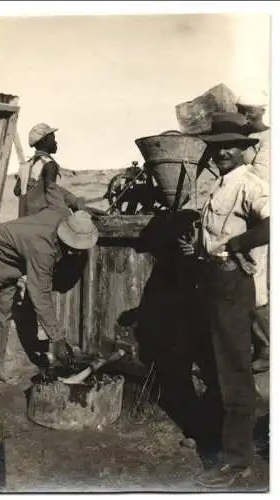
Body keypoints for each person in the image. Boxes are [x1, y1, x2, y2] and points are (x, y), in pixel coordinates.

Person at [178, 113, 269, 488]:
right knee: (216, 366)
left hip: (233, 283)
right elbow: (215, 233)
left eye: (231, 145)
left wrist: (235, 245)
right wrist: (196, 249)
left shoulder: (250, 184)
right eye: (217, 147)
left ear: (247, 148)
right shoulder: (219, 186)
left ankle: (238, 461)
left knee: (233, 371)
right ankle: (219, 442)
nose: (222, 153)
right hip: (213, 280)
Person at [0, 208, 99, 383]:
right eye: (73, 247)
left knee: (4, 315)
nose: (74, 252)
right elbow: (40, 295)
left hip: (12, 264)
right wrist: (57, 339)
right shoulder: (42, 248)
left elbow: (62, 203)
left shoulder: (64, 215)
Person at [236, 90, 270, 372]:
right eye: (240, 108)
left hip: (264, 218)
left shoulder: (270, 141)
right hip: (250, 217)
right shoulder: (249, 139)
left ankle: (267, 349)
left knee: (258, 287)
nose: (244, 114)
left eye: (249, 110)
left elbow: (260, 180)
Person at [14, 123, 86, 217]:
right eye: (53, 138)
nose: (56, 142)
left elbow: (17, 191)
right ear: (44, 141)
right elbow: (53, 197)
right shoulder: (49, 164)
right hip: (40, 221)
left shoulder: (26, 165)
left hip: (23, 219)